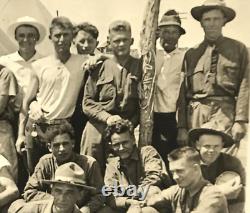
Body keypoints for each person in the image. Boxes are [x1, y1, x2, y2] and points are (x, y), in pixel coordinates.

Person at [21, 16, 103, 173]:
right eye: (57, 35)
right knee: (36, 174)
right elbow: (28, 101)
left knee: (64, 175)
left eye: (66, 35)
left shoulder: (83, 61)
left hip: (63, 129)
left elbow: (107, 57)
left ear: (72, 37)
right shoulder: (38, 65)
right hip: (38, 127)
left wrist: (98, 57)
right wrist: (34, 105)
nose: (61, 39)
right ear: (51, 37)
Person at [177, 0, 249, 152]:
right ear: (201, 23)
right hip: (196, 113)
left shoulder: (239, 49)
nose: (212, 24)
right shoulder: (191, 54)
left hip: (225, 113)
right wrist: (182, 126)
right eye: (207, 20)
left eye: (216, 19)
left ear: (224, 21)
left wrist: (240, 120)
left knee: (224, 161)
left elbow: (246, 85)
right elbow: (182, 93)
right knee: (197, 160)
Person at [81, 20, 141, 171]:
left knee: (124, 170)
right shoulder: (98, 67)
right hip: (98, 124)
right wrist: (107, 118)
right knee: (90, 166)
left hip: (127, 127)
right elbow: (87, 103)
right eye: (116, 41)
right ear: (108, 42)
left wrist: (130, 125)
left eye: (125, 40)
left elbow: (144, 104)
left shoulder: (141, 67)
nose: (121, 44)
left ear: (131, 41)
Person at [22, 123, 108, 212]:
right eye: (56, 145)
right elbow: (30, 191)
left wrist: (87, 209)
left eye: (65, 144)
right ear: (49, 147)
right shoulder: (46, 162)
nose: (62, 149)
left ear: (73, 144)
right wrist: (58, 200)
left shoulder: (89, 163)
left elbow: (100, 194)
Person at [0, 16, 46, 154]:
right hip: (9, 117)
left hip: (33, 116)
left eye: (31, 35)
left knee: (29, 156)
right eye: (21, 35)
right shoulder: (5, 61)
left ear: (37, 38)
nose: (26, 40)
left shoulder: (44, 62)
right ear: (16, 37)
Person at [104, 119, 170, 213]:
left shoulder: (147, 152)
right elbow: (110, 194)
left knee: (152, 192)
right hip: (128, 205)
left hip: (150, 203)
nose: (121, 148)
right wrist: (129, 202)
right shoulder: (112, 165)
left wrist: (132, 194)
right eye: (116, 144)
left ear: (133, 140)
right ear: (111, 146)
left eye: (125, 142)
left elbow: (154, 177)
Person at [147, 146, 229, 213]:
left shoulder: (214, 196)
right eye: (172, 172)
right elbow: (151, 201)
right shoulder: (178, 190)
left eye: (180, 171)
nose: (175, 177)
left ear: (196, 169)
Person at [152, 9, 186, 165]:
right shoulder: (151, 56)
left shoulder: (184, 58)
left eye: (174, 32)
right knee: (152, 156)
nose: (169, 36)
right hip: (151, 117)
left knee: (172, 158)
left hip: (172, 117)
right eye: (165, 32)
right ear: (158, 34)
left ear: (179, 35)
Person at [189, 124, 245, 212]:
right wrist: (218, 191)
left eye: (216, 146)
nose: (211, 150)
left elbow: (240, 195)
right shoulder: (188, 163)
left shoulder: (232, 163)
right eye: (207, 146)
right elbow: (183, 195)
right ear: (198, 145)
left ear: (222, 145)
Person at [14, 162, 98, 213]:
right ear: (52, 191)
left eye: (69, 192)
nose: (62, 198)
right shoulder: (31, 210)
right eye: (58, 191)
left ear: (80, 195)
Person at [71, 22, 100, 153]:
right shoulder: (68, 62)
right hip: (71, 117)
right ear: (73, 42)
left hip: (92, 119)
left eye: (90, 41)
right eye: (81, 41)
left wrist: (99, 57)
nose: (86, 45)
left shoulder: (100, 63)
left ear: (97, 44)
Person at [0, 65, 18, 182]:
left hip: (2, 127)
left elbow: (0, 106)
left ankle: (9, 198)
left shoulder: (4, 73)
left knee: (7, 166)